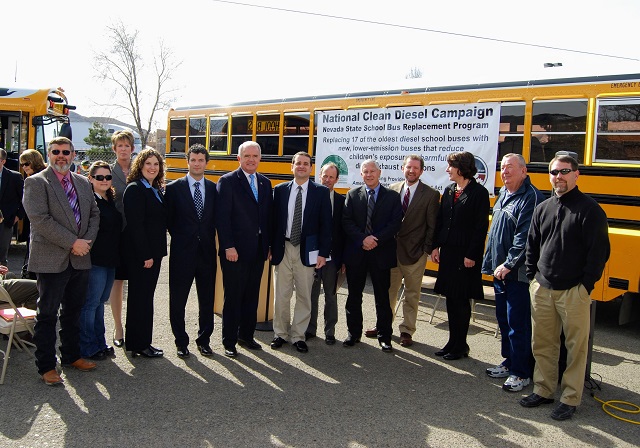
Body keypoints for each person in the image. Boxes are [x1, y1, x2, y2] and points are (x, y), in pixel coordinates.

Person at [521, 154, 610, 421]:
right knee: (543, 344)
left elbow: (599, 253)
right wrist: (532, 277)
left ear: (576, 174)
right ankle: (544, 389)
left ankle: (570, 398)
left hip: (574, 291)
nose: (558, 177)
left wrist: (585, 286)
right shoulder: (543, 207)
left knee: (575, 348)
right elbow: (532, 245)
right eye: (554, 172)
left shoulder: (590, 210)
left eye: (564, 171)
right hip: (542, 287)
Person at [22, 136, 100, 386]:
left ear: (73, 154)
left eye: (66, 152)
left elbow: (94, 215)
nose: (61, 156)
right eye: (56, 151)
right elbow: (40, 220)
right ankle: (46, 366)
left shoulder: (82, 182)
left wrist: (85, 242)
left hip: (80, 258)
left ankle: (71, 355)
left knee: (73, 311)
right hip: (50, 259)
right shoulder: (36, 182)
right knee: (46, 314)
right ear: (49, 154)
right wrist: (72, 242)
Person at [481, 154, 544, 392]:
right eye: (502, 168)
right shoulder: (504, 194)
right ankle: (509, 362)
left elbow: (525, 237)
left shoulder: (531, 197)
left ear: (524, 171)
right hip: (500, 272)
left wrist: (508, 264)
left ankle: (521, 371)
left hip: (517, 274)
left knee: (518, 323)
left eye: (510, 168)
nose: (504, 172)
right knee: (504, 320)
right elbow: (496, 232)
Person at [270, 152, 332, 353]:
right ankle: (280, 334)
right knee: (282, 295)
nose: (302, 167)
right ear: (292, 166)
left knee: (305, 295)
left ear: (311, 168)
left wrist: (323, 253)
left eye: (306, 164)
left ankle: (298, 336)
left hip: (308, 251)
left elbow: (326, 225)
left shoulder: (321, 192)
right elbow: (274, 222)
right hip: (284, 248)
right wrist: (271, 247)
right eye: (298, 163)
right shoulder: (279, 190)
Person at [431, 151, 489, 361]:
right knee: (450, 298)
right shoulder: (448, 190)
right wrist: (435, 246)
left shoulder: (478, 193)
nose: (447, 170)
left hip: (466, 256)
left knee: (461, 300)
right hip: (449, 254)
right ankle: (452, 341)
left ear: (461, 168)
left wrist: (472, 254)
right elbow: (441, 221)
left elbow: (480, 227)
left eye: (450, 166)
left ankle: (461, 345)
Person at [217, 141, 272, 358]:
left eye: (255, 156)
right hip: (235, 252)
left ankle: (246, 336)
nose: (251, 159)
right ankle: (229, 341)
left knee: (252, 295)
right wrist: (228, 245)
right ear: (239, 159)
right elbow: (222, 219)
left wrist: (267, 246)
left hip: (258, 250)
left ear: (260, 158)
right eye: (247, 156)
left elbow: (267, 217)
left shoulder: (265, 183)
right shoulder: (228, 181)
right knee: (234, 296)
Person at [378, 154, 440, 347]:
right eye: (408, 167)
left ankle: (406, 330)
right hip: (391, 252)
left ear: (421, 171)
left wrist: (426, 250)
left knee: (412, 294)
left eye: (415, 168)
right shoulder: (393, 190)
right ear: (402, 168)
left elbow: (432, 226)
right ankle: (384, 326)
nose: (411, 171)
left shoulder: (430, 194)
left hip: (415, 253)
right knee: (388, 292)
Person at [342, 159, 402, 352]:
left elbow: (395, 223)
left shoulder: (392, 196)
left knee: (382, 298)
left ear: (379, 172)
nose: (369, 174)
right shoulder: (352, 195)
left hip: (381, 253)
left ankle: (384, 336)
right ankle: (353, 333)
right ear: (361, 174)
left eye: (372, 171)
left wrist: (375, 239)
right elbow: (347, 222)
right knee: (354, 296)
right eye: (365, 171)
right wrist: (363, 240)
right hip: (357, 254)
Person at [165, 144, 217, 358]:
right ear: (187, 162)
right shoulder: (174, 188)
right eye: (193, 160)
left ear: (206, 163)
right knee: (178, 300)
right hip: (182, 253)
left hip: (206, 253)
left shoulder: (214, 189)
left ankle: (204, 340)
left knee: (207, 300)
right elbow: (168, 220)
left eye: (201, 160)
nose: (197, 164)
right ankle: (181, 341)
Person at [122, 148, 168, 358]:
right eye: (148, 163)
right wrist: (146, 255)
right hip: (143, 256)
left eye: (156, 164)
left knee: (145, 298)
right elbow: (136, 226)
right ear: (140, 166)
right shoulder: (135, 189)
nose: (152, 167)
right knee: (139, 299)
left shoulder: (154, 189)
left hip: (154, 254)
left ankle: (143, 342)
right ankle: (138, 344)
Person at [79, 161, 122, 361]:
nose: (104, 180)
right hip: (95, 260)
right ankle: (88, 346)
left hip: (110, 259)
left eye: (108, 177)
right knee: (90, 304)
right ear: (91, 179)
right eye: (99, 177)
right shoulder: (89, 201)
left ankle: (99, 342)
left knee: (99, 303)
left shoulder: (109, 198)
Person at [306, 162, 345, 345]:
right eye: (325, 176)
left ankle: (330, 331)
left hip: (332, 257)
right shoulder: (310, 196)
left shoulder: (342, 201)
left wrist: (343, 259)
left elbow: (344, 232)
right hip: (313, 255)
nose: (327, 180)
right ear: (319, 176)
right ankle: (310, 329)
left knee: (331, 294)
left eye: (331, 177)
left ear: (337, 180)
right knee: (311, 294)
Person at [108, 130, 134, 349]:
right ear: (114, 149)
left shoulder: (141, 169)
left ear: (132, 148)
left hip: (137, 236)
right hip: (116, 236)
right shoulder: (106, 172)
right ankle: (118, 327)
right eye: (120, 146)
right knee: (117, 283)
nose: (124, 149)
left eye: (127, 145)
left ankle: (136, 327)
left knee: (138, 283)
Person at [18, 149, 46, 275]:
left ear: (35, 161)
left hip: (41, 229)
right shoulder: (34, 178)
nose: (24, 167)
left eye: (26, 164)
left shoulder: (35, 180)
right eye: (22, 165)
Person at [0, 148, 25, 268]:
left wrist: (18, 216)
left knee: (2, 255)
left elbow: (25, 199)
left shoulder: (14, 177)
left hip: (6, 221)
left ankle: (2, 284)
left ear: (3, 161)